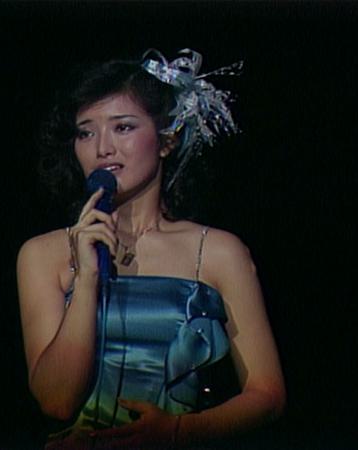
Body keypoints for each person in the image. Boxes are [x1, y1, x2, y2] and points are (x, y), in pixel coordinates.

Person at [17, 48, 286, 449]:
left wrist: (178, 431)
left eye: (123, 127)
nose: (102, 148)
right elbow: (56, 401)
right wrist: (87, 278)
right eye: (86, 132)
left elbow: (267, 396)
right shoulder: (43, 254)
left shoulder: (217, 252)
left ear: (166, 140)